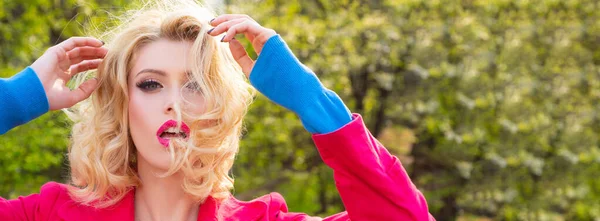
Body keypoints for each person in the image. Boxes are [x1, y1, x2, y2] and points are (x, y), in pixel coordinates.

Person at [0, 0, 434, 220]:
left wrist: (311, 99)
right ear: (121, 104)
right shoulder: (50, 213)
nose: (174, 102)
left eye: (196, 85)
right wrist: (13, 102)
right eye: (151, 84)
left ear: (219, 106)